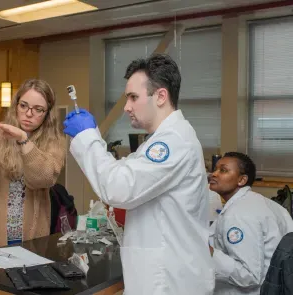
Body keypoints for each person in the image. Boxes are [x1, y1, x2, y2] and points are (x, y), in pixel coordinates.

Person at [63, 53, 214, 294]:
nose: (127, 107)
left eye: (134, 97)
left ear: (161, 96)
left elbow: (117, 187)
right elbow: (126, 173)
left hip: (169, 282)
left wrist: (87, 137)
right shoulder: (160, 140)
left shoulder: (172, 142)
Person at [0, 79, 66, 252]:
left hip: (32, 235)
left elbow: (43, 179)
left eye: (38, 109)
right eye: (24, 106)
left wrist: (23, 140)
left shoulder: (54, 142)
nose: (29, 113)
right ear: (16, 105)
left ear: (47, 112)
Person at [208, 152, 293, 295]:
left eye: (223, 170)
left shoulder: (239, 215)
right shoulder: (264, 203)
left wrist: (209, 253)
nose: (213, 174)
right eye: (214, 169)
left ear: (241, 180)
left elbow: (249, 276)